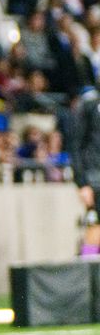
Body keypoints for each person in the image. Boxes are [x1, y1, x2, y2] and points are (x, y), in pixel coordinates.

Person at [72, 85, 100, 256]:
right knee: (94, 227)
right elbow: (76, 145)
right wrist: (82, 182)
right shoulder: (90, 105)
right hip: (95, 179)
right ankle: (89, 271)